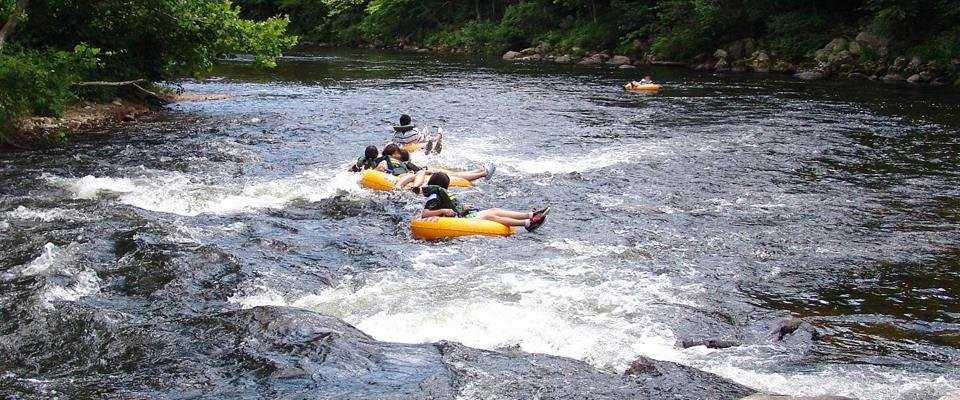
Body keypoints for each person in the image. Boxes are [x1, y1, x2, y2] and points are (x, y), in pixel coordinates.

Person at [414, 172, 550, 232]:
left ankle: (530, 215)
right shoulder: (434, 197)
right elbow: (425, 213)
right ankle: (527, 224)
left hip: (461, 215)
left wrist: (463, 207)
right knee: (490, 216)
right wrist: (443, 211)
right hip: (458, 219)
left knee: (493, 210)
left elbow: (453, 206)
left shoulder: (439, 194)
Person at [399, 149, 496, 183]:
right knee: (455, 176)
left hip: (425, 172)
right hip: (425, 175)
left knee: (455, 173)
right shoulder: (404, 165)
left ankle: (479, 170)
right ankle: (484, 173)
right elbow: (413, 173)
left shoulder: (403, 164)